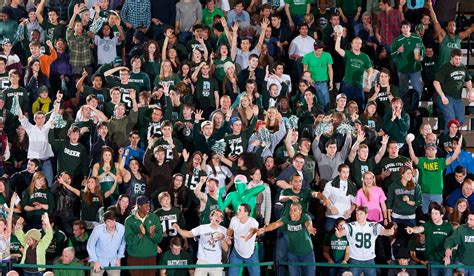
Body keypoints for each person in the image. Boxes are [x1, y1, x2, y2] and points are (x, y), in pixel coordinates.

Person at [253, 202, 317, 276]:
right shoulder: (286, 218)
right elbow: (275, 225)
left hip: (307, 253)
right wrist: (264, 229)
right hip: (293, 254)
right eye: (290, 210)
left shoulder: (305, 217)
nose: (291, 212)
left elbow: (308, 222)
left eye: (294, 210)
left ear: (300, 211)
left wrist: (309, 227)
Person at [335, 206, 395, 276]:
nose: (358, 216)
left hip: (369, 260)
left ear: (366, 215)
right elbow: (343, 232)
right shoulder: (351, 226)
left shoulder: (373, 225)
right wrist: (339, 234)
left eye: (361, 213)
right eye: (357, 213)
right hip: (355, 260)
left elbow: (383, 232)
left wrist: (390, 232)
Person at [173, 209, 229, 276]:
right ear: (211, 217)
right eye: (216, 215)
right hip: (202, 262)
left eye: (221, 216)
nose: (219, 217)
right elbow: (188, 234)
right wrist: (178, 229)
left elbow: (226, 249)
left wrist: (221, 239)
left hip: (216, 263)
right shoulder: (202, 228)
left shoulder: (224, 230)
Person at [406, 202, 453, 276]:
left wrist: (448, 256)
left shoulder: (448, 227)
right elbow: (420, 228)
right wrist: (412, 229)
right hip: (432, 260)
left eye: (436, 213)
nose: (433, 216)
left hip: (446, 259)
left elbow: (452, 242)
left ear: (442, 215)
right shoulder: (428, 225)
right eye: (432, 213)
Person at [433, 48, 473, 132]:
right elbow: (436, 82)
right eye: (456, 59)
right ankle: (446, 141)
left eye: (459, 59)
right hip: (446, 96)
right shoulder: (445, 68)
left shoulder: (462, 67)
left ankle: (453, 138)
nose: (458, 61)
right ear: (451, 57)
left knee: (460, 120)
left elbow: (468, 80)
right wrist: (442, 96)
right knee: (450, 119)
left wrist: (470, 91)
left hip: (457, 98)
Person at [391, 20, 425, 112]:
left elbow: (422, 50)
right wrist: (398, 51)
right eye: (403, 27)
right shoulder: (398, 40)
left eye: (407, 27)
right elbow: (391, 54)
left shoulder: (416, 38)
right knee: (403, 91)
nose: (405, 29)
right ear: (401, 29)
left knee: (418, 89)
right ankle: (405, 109)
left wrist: (421, 56)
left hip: (415, 68)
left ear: (410, 28)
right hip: (402, 69)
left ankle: (414, 109)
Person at [124, 196, 163, 276]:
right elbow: (128, 240)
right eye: (146, 206)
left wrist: (153, 235)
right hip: (135, 257)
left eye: (149, 205)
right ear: (139, 206)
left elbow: (159, 238)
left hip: (150, 256)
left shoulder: (154, 218)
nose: (149, 208)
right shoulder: (129, 220)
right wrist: (140, 234)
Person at [335, 31, 373, 111]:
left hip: (358, 85)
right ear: (352, 44)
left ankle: (359, 122)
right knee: (346, 106)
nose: (358, 44)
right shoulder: (348, 54)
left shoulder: (365, 57)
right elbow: (337, 49)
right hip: (348, 84)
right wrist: (339, 37)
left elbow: (370, 68)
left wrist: (368, 77)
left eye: (359, 43)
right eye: (356, 43)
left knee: (360, 106)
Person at [87, 211, 125, 276]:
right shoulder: (98, 229)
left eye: (113, 221)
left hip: (114, 260)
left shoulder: (122, 228)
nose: (111, 224)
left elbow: (123, 244)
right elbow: (90, 245)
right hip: (98, 259)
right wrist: (95, 261)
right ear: (104, 222)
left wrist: (119, 258)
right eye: (108, 221)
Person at [227, 203, 259, 276]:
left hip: (250, 255)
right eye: (238, 209)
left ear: (246, 213)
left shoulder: (253, 222)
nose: (237, 211)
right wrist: (228, 236)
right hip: (236, 253)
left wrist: (248, 236)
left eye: (239, 210)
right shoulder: (234, 219)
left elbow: (253, 230)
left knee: (256, 274)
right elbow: (230, 229)